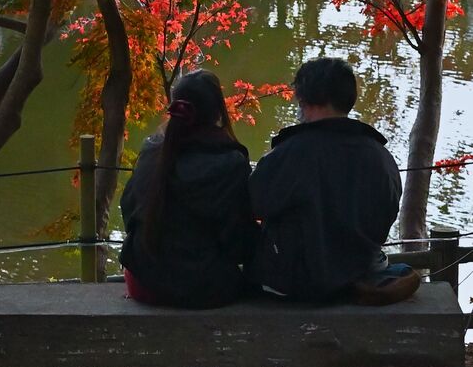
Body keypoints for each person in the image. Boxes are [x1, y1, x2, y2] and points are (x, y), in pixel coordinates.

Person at [250, 57, 418, 305]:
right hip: (364, 273)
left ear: (304, 99)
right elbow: (387, 212)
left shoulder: (290, 153)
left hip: (299, 284)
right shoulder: (380, 156)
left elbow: (253, 204)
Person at [120, 70, 255, 308]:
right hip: (202, 288)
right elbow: (238, 241)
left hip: (143, 283)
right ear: (217, 112)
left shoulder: (151, 151)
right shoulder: (231, 162)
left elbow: (129, 209)